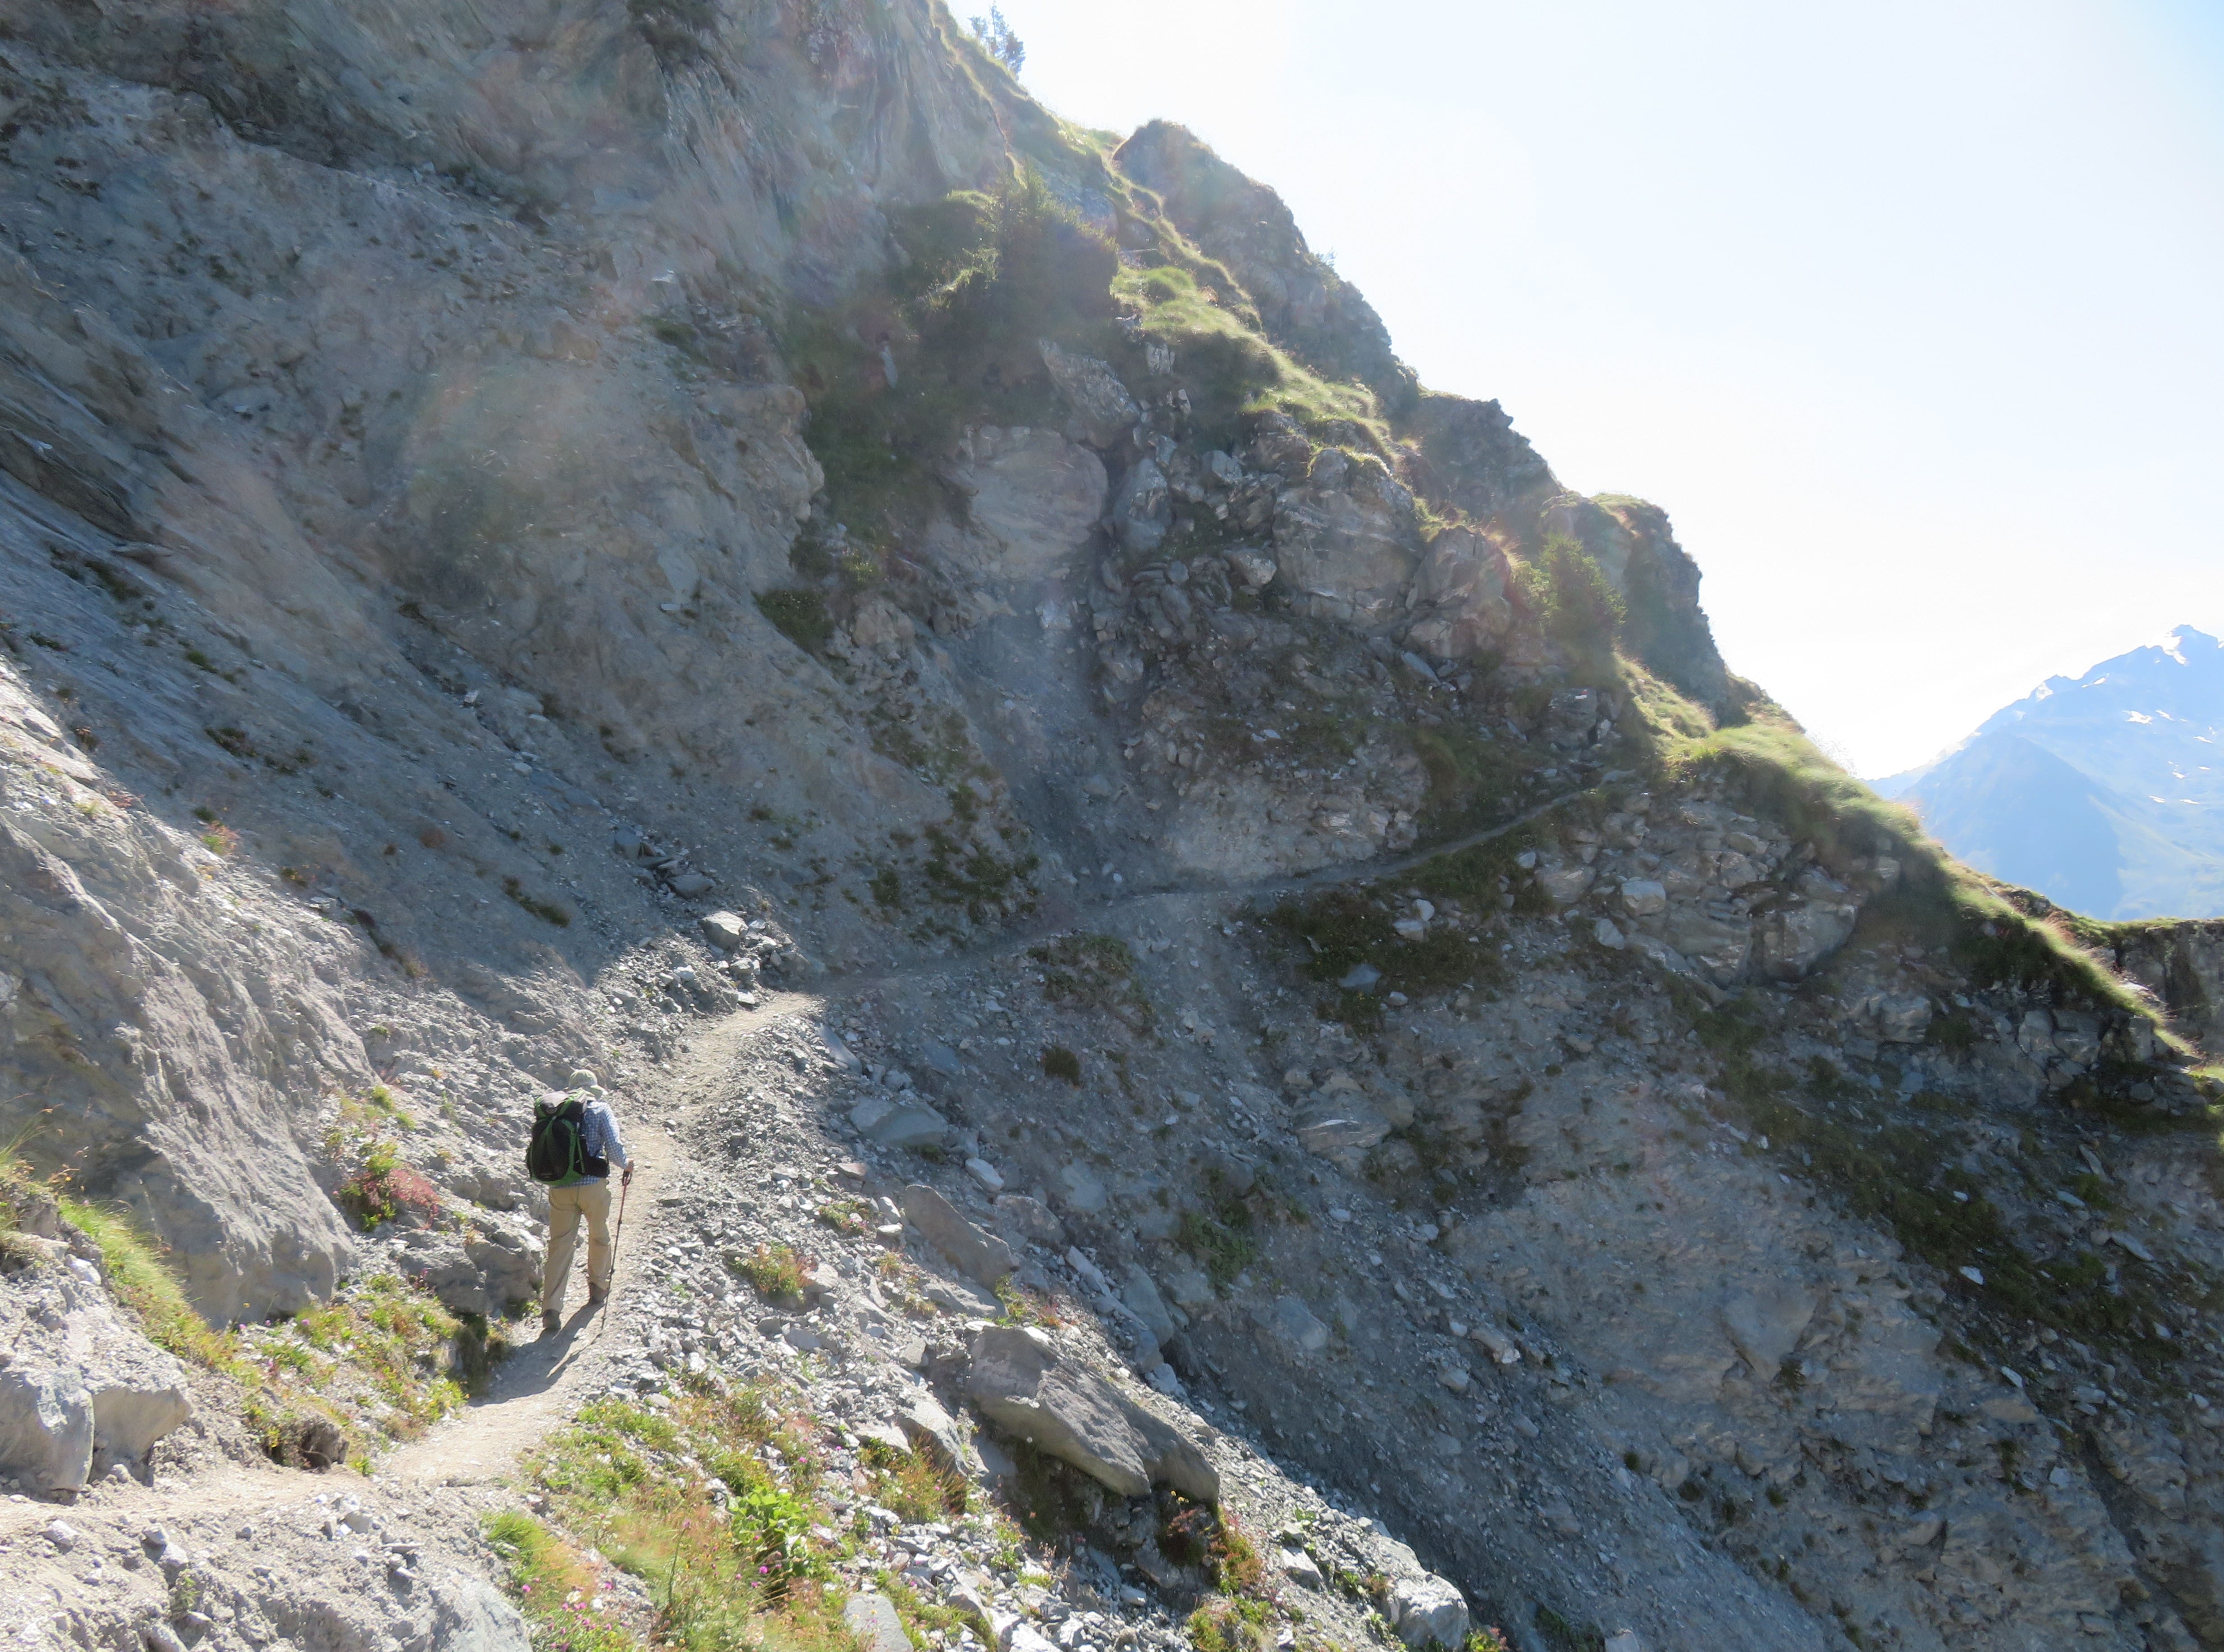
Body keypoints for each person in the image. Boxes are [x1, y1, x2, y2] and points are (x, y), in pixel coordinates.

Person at [539, 1072, 632, 1334]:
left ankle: (551, 1308)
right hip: (592, 1186)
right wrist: (628, 1165)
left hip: (560, 1188)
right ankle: (598, 1287)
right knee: (599, 1234)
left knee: (560, 1245)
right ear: (593, 1091)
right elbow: (613, 1148)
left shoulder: (556, 1112)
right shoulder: (601, 1109)